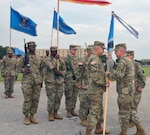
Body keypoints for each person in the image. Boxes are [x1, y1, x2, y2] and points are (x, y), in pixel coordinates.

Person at [108, 44, 146, 135]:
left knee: (123, 112)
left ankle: (124, 132)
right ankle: (140, 129)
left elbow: (119, 75)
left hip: (124, 91)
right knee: (130, 111)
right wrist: (110, 61)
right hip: (129, 90)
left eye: (116, 52)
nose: (115, 54)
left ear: (120, 51)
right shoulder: (129, 61)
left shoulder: (123, 61)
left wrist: (109, 76)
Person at [85, 41, 110, 135]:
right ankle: (88, 132)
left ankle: (98, 128)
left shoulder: (97, 58)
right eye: (103, 49)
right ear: (98, 48)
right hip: (94, 90)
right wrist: (104, 83)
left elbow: (98, 73)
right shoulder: (94, 59)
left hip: (97, 90)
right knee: (95, 111)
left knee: (99, 110)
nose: (103, 51)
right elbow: (95, 75)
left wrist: (105, 74)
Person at [16, 41, 43, 125]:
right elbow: (17, 69)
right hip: (27, 82)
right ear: (28, 48)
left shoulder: (38, 58)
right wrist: (24, 70)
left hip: (37, 81)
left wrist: (41, 80)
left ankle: (32, 115)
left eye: (34, 46)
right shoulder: (23, 57)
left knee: (35, 100)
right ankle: (26, 116)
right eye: (31, 46)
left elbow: (41, 70)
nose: (33, 48)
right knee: (28, 100)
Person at [42, 46, 66, 121]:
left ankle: (55, 112)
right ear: (50, 51)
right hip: (51, 82)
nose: (54, 52)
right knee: (51, 98)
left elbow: (65, 70)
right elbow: (51, 67)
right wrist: (55, 60)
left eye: (55, 51)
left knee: (58, 98)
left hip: (59, 82)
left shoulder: (61, 60)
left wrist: (61, 73)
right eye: (52, 51)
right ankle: (50, 113)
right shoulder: (47, 60)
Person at [126, 50, 146, 127]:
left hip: (136, 89)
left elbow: (142, 76)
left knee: (133, 106)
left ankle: (132, 121)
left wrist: (141, 86)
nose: (126, 57)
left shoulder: (136, 65)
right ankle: (128, 120)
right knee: (128, 105)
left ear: (132, 56)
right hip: (128, 89)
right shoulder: (126, 64)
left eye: (128, 55)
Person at [77, 45, 93, 126]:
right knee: (83, 103)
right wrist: (79, 83)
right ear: (88, 52)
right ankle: (83, 118)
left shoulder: (95, 60)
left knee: (91, 103)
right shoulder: (83, 60)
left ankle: (89, 118)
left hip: (92, 86)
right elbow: (79, 72)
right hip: (83, 85)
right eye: (90, 51)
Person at [64, 45, 80, 118]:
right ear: (70, 50)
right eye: (73, 50)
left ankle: (73, 109)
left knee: (75, 95)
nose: (75, 51)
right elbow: (63, 68)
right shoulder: (67, 58)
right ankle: (68, 110)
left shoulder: (78, 58)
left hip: (76, 79)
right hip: (69, 79)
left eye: (75, 50)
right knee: (69, 95)